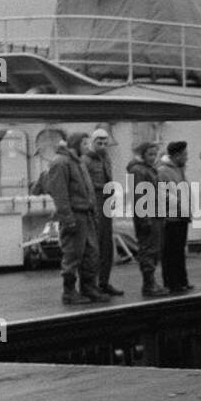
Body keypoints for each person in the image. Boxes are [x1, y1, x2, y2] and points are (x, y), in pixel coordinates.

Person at [46, 131, 108, 305]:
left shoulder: (77, 162)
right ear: (76, 144)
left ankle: (88, 287)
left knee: (90, 253)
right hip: (75, 215)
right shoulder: (61, 163)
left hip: (85, 215)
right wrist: (68, 219)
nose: (88, 147)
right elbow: (60, 194)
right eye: (85, 144)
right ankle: (69, 291)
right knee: (73, 254)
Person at [84, 128, 124, 296]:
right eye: (99, 143)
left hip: (106, 198)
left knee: (107, 244)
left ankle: (103, 281)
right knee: (96, 244)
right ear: (92, 143)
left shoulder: (106, 157)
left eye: (105, 143)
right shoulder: (85, 160)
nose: (102, 145)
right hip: (95, 200)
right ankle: (92, 284)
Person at [127, 141, 168, 297]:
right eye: (150, 154)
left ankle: (151, 282)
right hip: (148, 215)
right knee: (148, 250)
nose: (153, 158)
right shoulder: (139, 171)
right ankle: (148, 283)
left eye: (155, 154)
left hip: (155, 214)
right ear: (143, 155)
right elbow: (139, 195)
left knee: (154, 249)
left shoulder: (149, 170)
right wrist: (144, 218)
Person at [158, 141, 194, 293]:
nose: (187, 157)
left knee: (179, 249)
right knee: (171, 251)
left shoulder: (179, 169)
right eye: (185, 154)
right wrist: (179, 204)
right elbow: (163, 193)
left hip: (181, 215)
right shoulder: (163, 171)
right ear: (177, 155)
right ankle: (172, 282)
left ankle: (181, 280)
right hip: (172, 216)